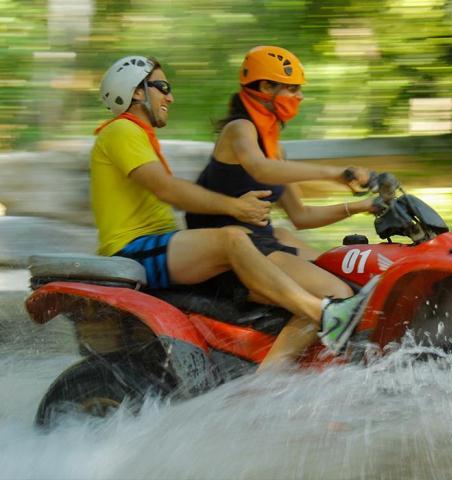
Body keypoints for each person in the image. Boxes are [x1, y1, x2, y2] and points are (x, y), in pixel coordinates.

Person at [90, 55, 372, 371]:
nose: (170, 96)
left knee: (285, 240)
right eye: (162, 87)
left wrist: (362, 206)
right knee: (233, 239)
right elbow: (167, 189)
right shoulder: (122, 132)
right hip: (132, 249)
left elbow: (299, 214)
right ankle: (324, 313)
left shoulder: (140, 136)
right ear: (137, 91)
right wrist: (235, 206)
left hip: (162, 242)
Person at [185, 46, 377, 370]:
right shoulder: (239, 129)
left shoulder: (278, 148)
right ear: (263, 89)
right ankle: (267, 384)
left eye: (299, 89)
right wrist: (334, 173)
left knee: (347, 268)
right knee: (337, 294)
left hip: (265, 243)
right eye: (290, 88)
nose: (298, 96)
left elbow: (301, 216)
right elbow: (261, 169)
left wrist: (363, 206)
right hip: (236, 255)